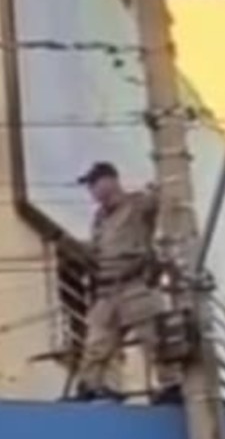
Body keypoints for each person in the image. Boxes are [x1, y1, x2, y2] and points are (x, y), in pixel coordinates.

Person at [74, 161, 183, 405]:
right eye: (90, 186)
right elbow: (97, 250)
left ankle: (171, 384)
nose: (92, 191)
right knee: (96, 342)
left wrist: (161, 186)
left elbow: (160, 202)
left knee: (153, 336)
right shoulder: (99, 218)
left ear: (111, 181)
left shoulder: (136, 204)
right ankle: (90, 386)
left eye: (95, 183)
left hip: (134, 284)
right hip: (107, 289)